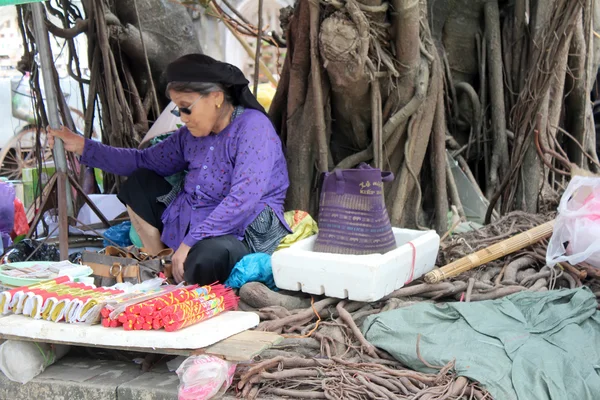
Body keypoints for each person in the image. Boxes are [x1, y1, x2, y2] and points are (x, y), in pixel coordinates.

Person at [48, 54, 290, 285]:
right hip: (189, 225)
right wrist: (82, 146)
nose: (183, 118)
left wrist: (190, 242)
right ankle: (160, 265)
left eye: (186, 108)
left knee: (207, 258)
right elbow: (140, 161)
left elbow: (242, 200)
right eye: (177, 110)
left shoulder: (253, 128)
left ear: (216, 98)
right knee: (139, 182)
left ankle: (182, 265)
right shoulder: (189, 136)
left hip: (237, 232)